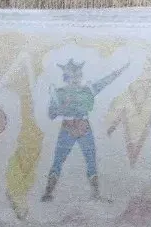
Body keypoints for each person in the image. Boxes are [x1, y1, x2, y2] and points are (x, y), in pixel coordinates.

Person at [42, 59, 128, 202]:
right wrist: (62, 107)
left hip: (83, 128)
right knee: (58, 160)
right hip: (68, 128)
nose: (75, 78)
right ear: (66, 77)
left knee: (91, 161)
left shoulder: (87, 90)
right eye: (72, 75)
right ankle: (48, 193)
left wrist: (120, 71)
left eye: (77, 75)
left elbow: (104, 82)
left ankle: (95, 194)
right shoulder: (59, 93)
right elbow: (51, 114)